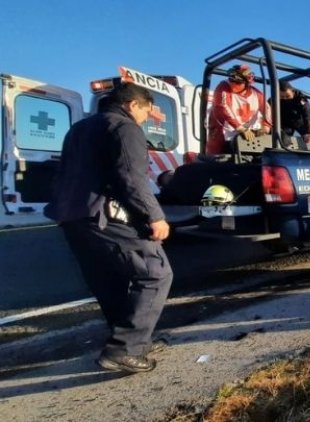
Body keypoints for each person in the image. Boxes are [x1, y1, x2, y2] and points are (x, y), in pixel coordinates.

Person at [44, 83, 173, 373]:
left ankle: (132, 341)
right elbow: (131, 177)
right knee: (155, 273)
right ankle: (124, 349)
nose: (145, 118)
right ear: (132, 105)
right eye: (145, 111)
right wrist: (154, 216)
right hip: (101, 215)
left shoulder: (78, 129)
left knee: (109, 280)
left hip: (71, 217)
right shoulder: (124, 127)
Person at [206, 64, 272, 154]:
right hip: (222, 135)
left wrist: (266, 127)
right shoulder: (223, 87)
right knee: (216, 160)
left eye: (237, 83)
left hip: (247, 138)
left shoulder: (257, 94)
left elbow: (267, 109)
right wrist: (240, 128)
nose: (233, 85)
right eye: (232, 81)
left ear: (246, 83)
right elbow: (222, 107)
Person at [276, 80, 310, 145]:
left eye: (287, 96)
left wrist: (308, 132)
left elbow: (307, 113)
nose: (285, 98)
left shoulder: (300, 98)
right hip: (285, 122)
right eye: (282, 97)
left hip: (299, 121)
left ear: (292, 91)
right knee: (282, 137)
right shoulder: (274, 99)